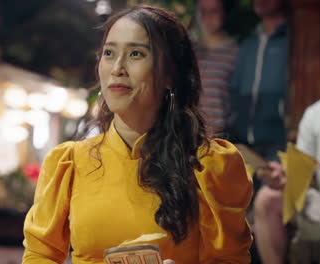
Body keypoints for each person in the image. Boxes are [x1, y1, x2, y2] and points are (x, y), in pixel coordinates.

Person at [22, 6, 252, 264]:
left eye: (135, 54)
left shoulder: (209, 165)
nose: (117, 67)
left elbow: (229, 259)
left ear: (170, 74)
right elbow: (40, 254)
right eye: (109, 53)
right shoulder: (69, 163)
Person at [254, 99, 320, 264]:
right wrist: (287, 180)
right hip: (319, 202)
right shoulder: (314, 114)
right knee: (267, 199)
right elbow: (304, 176)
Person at [229, 0, 288, 161]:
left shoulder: (292, 40)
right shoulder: (248, 43)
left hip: (279, 142)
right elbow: (235, 89)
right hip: (243, 141)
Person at [196, 0, 238, 137]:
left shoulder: (235, 52)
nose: (207, 17)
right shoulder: (188, 50)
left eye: (214, 11)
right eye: (203, 11)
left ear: (224, 13)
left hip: (221, 139)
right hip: (188, 138)